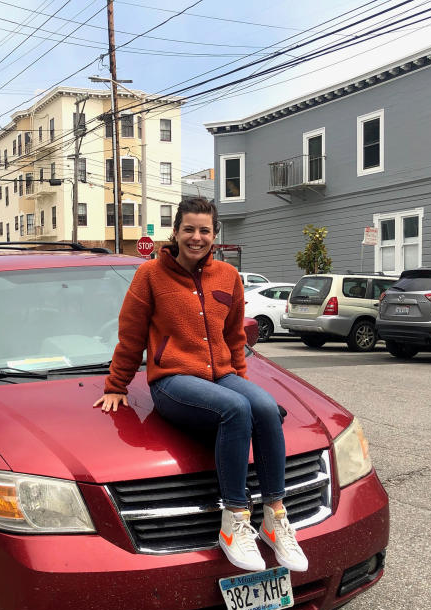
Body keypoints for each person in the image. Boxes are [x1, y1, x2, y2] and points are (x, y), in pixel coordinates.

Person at [94, 197, 308, 573]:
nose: (196, 237)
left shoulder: (227, 276)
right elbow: (131, 334)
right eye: (188, 229)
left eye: (204, 230)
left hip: (222, 375)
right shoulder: (150, 276)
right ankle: (235, 520)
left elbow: (235, 337)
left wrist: (240, 380)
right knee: (236, 409)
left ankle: (275, 515)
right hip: (173, 380)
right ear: (174, 232)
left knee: (264, 406)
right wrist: (117, 385)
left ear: (214, 235)